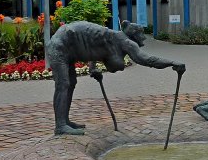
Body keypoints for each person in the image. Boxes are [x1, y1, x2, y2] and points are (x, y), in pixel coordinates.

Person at [46, 20, 185, 135]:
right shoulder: (124, 41)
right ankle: (61, 126)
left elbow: (92, 51)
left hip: (67, 46)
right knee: (63, 84)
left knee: (71, 83)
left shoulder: (110, 39)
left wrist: (93, 68)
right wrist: (171, 62)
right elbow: (146, 59)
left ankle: (64, 120)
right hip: (59, 46)